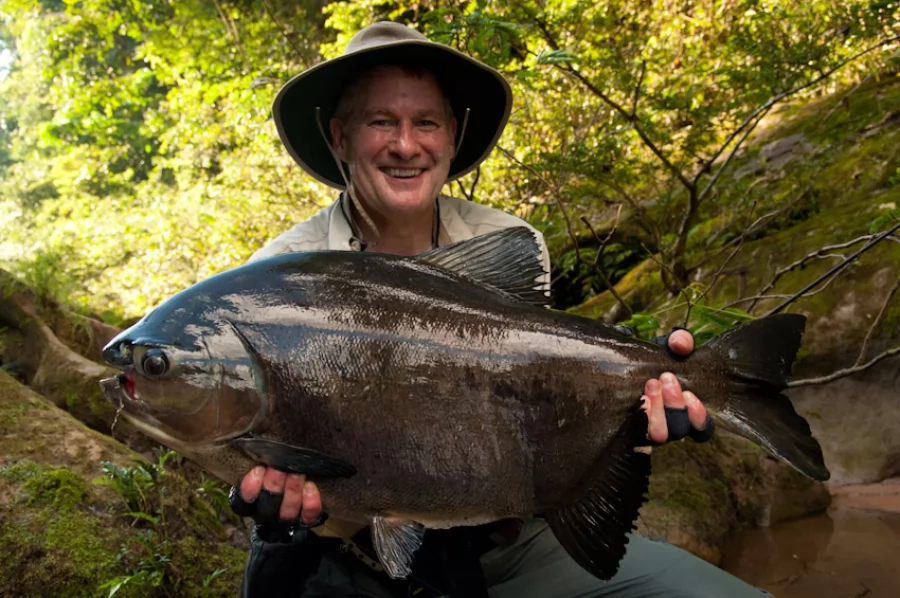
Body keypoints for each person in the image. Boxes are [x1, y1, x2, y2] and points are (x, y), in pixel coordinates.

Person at [230, 21, 772, 598]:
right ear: (340, 137)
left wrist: (633, 404)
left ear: (453, 135)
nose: (406, 145)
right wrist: (267, 505)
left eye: (426, 123)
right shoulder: (278, 279)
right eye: (381, 121)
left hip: (504, 538)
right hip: (344, 555)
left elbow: (546, 393)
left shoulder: (507, 241)